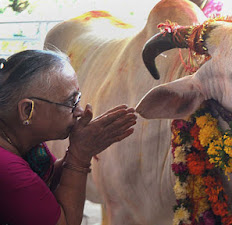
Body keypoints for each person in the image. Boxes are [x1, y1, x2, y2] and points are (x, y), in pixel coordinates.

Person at [0, 49, 137, 225]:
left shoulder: (22, 136)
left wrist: (78, 150)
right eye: (71, 102)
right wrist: (80, 155)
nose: (80, 112)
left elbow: (46, 181)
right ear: (28, 110)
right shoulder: (7, 169)